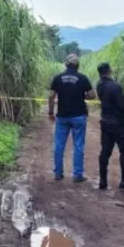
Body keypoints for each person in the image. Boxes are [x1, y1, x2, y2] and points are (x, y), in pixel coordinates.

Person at [48, 54, 96, 182]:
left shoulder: (57, 78)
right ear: (78, 66)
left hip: (62, 117)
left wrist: (50, 112)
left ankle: (58, 173)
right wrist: (82, 96)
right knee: (78, 145)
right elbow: (92, 95)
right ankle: (77, 175)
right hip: (79, 116)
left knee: (59, 145)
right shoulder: (82, 78)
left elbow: (51, 96)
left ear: (65, 64)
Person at [95, 62, 124, 191]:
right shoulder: (114, 86)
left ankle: (103, 181)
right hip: (119, 124)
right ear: (109, 70)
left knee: (105, 152)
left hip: (106, 122)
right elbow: (122, 106)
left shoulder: (100, 85)